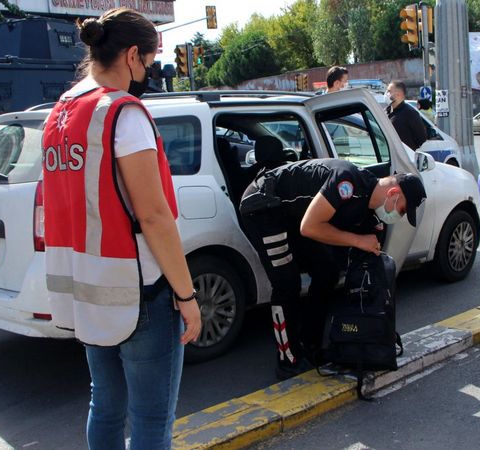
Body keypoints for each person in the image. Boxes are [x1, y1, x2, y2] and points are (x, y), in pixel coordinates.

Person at [41, 8, 201, 450]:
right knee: (151, 420)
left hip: (88, 288)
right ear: (132, 56)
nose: (147, 73)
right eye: (149, 62)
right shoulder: (122, 114)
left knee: (105, 405)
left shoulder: (61, 112)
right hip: (140, 291)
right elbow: (153, 216)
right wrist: (187, 296)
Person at [239, 158, 426, 379]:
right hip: (264, 207)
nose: (399, 216)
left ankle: (310, 343)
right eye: (402, 210)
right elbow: (309, 227)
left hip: (292, 214)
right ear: (393, 193)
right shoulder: (347, 182)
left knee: (327, 273)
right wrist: (358, 240)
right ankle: (287, 360)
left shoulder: (368, 208)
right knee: (287, 283)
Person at [385, 81, 427, 151]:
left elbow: (421, 138)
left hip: (405, 155)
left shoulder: (410, 113)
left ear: (399, 94)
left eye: (389, 91)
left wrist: (408, 148)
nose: (386, 94)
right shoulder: (386, 111)